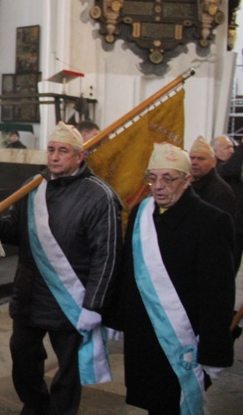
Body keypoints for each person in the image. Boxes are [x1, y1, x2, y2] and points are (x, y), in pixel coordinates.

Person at [0, 121, 122, 414]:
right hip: (29, 295)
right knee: (23, 357)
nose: (54, 157)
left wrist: (94, 304)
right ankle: (36, 405)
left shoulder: (100, 196)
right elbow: (17, 232)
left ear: (80, 156)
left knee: (69, 370)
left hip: (70, 301)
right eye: (51, 149)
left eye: (63, 151)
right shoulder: (34, 185)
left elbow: (108, 255)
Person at [109, 142, 234, 413]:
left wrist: (214, 350)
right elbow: (127, 271)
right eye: (152, 178)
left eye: (168, 178)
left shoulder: (212, 221)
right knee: (154, 402)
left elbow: (218, 293)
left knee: (177, 402)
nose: (158, 186)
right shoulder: (142, 214)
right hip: (144, 332)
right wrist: (119, 317)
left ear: (187, 180)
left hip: (183, 336)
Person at [189, 135, 236, 226]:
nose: (194, 162)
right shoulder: (187, 185)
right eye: (192, 158)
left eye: (200, 159)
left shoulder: (221, 192)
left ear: (213, 162)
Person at [213, 135, 243, 273]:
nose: (232, 151)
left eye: (233, 147)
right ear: (215, 151)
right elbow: (232, 169)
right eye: (228, 147)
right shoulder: (217, 169)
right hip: (227, 230)